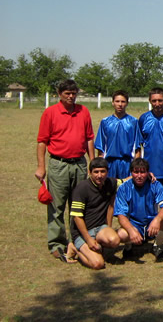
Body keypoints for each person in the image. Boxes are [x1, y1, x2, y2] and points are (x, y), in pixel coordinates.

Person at [35, 79, 95, 261]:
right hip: (59, 164)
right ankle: (57, 243)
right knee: (57, 205)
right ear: (59, 94)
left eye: (73, 93)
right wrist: (41, 166)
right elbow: (42, 141)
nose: (70, 97)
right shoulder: (50, 113)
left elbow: (89, 138)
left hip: (79, 164)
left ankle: (76, 240)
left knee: (78, 205)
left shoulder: (83, 111)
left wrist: (92, 162)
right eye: (67, 93)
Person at [114, 158, 163, 261]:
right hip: (134, 224)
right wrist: (131, 230)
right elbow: (121, 215)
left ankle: (157, 245)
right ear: (131, 172)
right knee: (121, 234)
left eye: (142, 172)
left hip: (151, 224)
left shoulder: (155, 184)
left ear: (148, 172)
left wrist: (157, 220)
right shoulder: (124, 188)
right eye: (136, 172)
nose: (139, 176)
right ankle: (129, 247)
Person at [68, 158, 120, 269]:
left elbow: (127, 180)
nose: (99, 175)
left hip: (100, 228)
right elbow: (77, 217)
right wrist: (88, 239)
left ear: (107, 172)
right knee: (98, 264)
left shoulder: (110, 183)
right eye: (96, 172)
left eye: (102, 172)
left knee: (115, 240)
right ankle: (75, 248)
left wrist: (148, 174)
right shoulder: (81, 189)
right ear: (89, 172)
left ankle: (96, 246)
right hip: (82, 233)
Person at [137, 87, 163, 194]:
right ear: (149, 101)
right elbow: (139, 144)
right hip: (149, 170)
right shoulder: (143, 118)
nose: (157, 104)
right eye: (154, 101)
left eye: (160, 100)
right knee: (150, 201)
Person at [95, 90, 142, 179]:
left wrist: (136, 167)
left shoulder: (133, 122)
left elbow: (137, 148)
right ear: (113, 103)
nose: (120, 104)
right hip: (110, 163)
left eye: (123, 101)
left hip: (127, 163)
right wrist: (101, 166)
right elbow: (101, 148)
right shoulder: (105, 122)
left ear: (127, 103)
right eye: (117, 101)